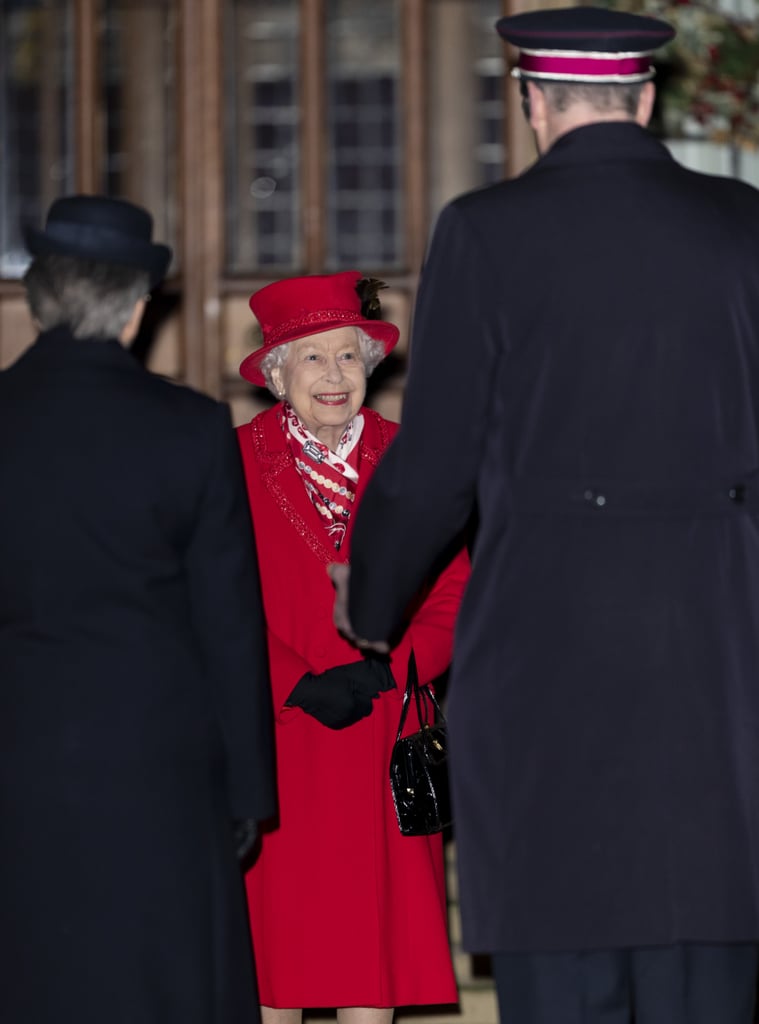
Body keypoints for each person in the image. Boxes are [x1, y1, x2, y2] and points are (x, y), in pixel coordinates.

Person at [331, 7, 759, 1024]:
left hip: (546, 647)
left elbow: (434, 465)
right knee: (708, 934)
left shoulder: (486, 231)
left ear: (532, 102)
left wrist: (373, 602)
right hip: (719, 637)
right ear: (645, 97)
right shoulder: (744, 223)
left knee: (561, 940)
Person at [0, 194, 276, 1024]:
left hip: (16, 754)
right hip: (158, 765)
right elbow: (229, 623)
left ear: (41, 297)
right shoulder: (190, 428)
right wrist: (249, 790)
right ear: (135, 310)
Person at [235, 271, 469, 1024]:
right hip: (279, 740)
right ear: (276, 374)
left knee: (373, 979)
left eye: (348, 357)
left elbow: (454, 592)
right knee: (274, 971)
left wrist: (391, 669)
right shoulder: (231, 462)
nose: (333, 377)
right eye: (311, 358)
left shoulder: (410, 459)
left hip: (384, 734)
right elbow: (208, 599)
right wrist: (292, 683)